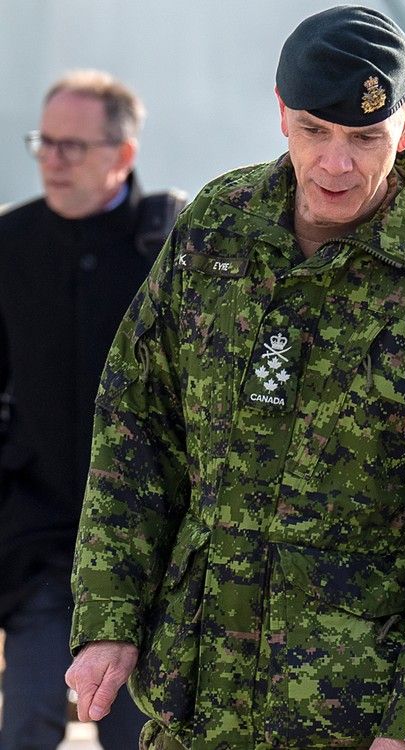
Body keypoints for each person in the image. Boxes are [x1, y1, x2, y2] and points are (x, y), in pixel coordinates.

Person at [62, 7, 405, 750]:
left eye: (364, 138)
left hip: (351, 717)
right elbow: (137, 420)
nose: (335, 165)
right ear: (282, 113)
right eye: (315, 132)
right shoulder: (218, 229)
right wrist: (111, 616)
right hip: (194, 706)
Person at [0, 69, 184, 750]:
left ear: (122, 155)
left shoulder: (172, 249)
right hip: (41, 544)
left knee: (144, 737)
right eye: (44, 143)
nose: (52, 159)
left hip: (149, 560)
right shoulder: (10, 245)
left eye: (71, 146)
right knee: (26, 725)